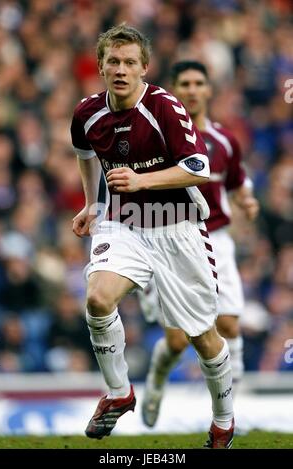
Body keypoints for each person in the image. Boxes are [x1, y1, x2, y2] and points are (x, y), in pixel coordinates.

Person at [71, 25, 234, 448]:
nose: (121, 70)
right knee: (96, 298)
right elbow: (84, 151)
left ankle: (223, 422)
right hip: (123, 225)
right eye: (113, 62)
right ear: (102, 67)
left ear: (144, 67)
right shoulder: (87, 112)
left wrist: (144, 181)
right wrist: (92, 203)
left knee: (201, 337)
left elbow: (198, 166)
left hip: (177, 228)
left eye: (129, 63)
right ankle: (119, 392)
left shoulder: (163, 106)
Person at [140, 61, 259, 430]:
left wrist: (247, 199)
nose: (192, 90)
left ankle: (229, 416)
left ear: (208, 90)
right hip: (170, 236)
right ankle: (156, 381)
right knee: (178, 341)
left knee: (229, 325)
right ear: (173, 91)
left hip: (216, 238)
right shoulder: (156, 137)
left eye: (198, 83)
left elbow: (237, 180)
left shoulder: (225, 141)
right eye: (184, 84)